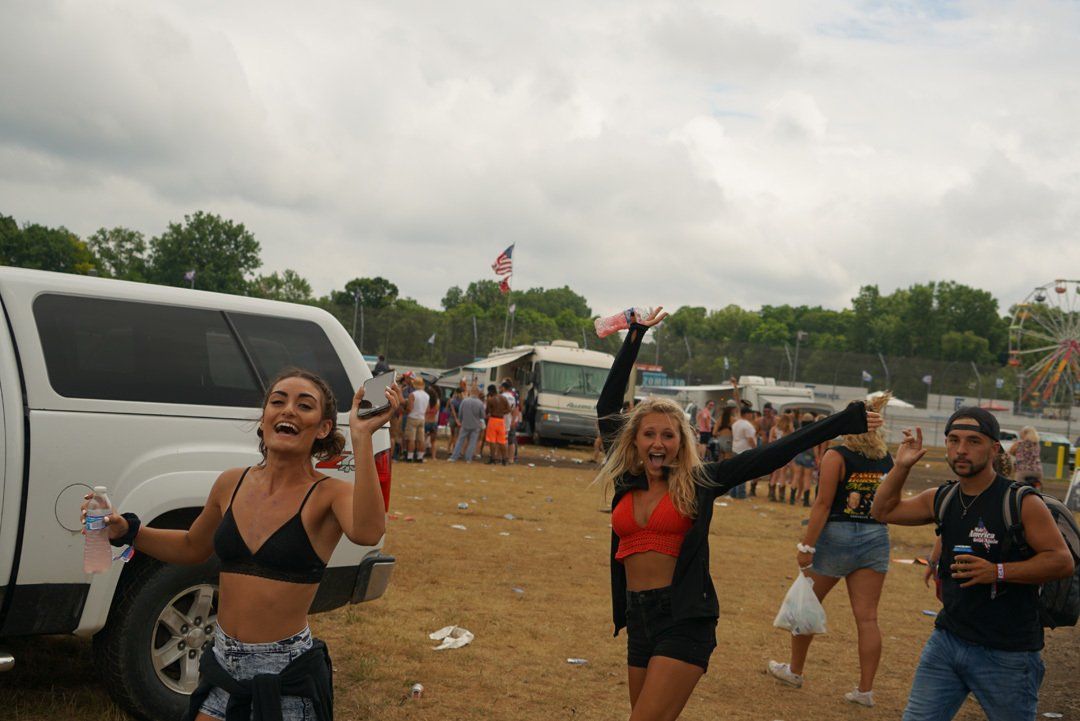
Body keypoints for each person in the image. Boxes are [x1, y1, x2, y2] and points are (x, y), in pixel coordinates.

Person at [596, 307, 881, 721]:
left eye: (668, 435)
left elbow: (773, 454)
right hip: (638, 618)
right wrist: (634, 336)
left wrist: (839, 423)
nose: (658, 443)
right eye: (649, 434)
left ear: (681, 442)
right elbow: (607, 406)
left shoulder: (700, 481)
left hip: (684, 618)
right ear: (635, 441)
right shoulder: (626, 479)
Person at [82, 368, 402, 721]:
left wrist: (362, 435)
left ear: (323, 428)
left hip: (283, 672)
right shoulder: (230, 483)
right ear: (264, 419)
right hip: (221, 662)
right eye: (277, 402)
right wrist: (128, 530)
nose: (288, 410)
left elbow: (368, 531)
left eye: (304, 405)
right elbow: (192, 546)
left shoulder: (329, 494)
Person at [870, 408, 1074, 721]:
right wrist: (901, 466)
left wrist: (997, 572)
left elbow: (1061, 561)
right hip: (947, 641)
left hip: (1007, 652)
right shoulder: (942, 497)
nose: (961, 449)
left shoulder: (1021, 502)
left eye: (973, 441)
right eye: (953, 440)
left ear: (994, 449)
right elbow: (882, 511)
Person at [767, 392, 895, 707]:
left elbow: (822, 504)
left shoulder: (836, 456)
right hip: (875, 536)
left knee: (807, 604)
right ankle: (865, 690)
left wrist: (806, 545)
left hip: (836, 535)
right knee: (868, 619)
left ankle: (795, 670)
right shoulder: (886, 459)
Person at [449, 387, 486, 462]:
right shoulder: (480, 403)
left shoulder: (464, 401)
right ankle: (468, 458)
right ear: (478, 393)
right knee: (472, 442)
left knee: (460, 440)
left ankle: (454, 457)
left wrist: (460, 420)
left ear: (470, 392)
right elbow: (482, 416)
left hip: (465, 424)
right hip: (475, 425)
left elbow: (460, 412)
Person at [729, 405, 757, 499]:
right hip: (744, 450)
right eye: (750, 413)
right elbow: (750, 439)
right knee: (743, 472)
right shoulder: (747, 425)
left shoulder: (736, 423)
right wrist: (755, 449)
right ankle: (741, 494)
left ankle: (733, 493)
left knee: (735, 472)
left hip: (735, 448)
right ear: (746, 414)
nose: (752, 415)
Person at [790, 412, 817, 506]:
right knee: (807, 479)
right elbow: (815, 446)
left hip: (798, 455)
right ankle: (806, 501)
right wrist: (816, 457)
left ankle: (792, 499)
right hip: (809, 457)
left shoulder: (798, 430)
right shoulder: (813, 432)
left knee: (796, 477)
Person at [766, 413, 794, 502]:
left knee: (775, 473)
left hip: (774, 452)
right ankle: (781, 496)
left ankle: (771, 495)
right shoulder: (789, 430)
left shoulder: (773, 429)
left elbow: (770, 441)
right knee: (783, 474)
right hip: (784, 453)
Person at [403, 376, 429, 463]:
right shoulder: (427, 395)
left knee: (411, 439)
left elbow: (409, 408)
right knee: (421, 439)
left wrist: (405, 411)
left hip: (412, 417)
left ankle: (409, 457)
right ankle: (420, 457)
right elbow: (427, 409)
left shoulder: (413, 394)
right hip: (422, 418)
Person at [484, 384, 511, 465]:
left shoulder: (490, 400)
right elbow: (509, 409)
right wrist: (502, 412)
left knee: (492, 441)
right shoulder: (503, 398)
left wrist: (493, 412)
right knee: (502, 441)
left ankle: (493, 459)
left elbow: (487, 411)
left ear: (490, 391)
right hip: (501, 421)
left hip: (493, 420)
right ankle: (505, 459)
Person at [501, 379, 519, 464]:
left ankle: (502, 457)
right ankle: (511, 458)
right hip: (511, 419)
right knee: (511, 440)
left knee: (503, 439)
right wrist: (514, 420)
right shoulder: (514, 395)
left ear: (504, 387)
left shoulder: (502, 396)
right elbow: (515, 409)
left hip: (502, 420)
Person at [424, 383, 440, 460]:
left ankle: (421, 455)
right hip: (434, 422)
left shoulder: (426, 401)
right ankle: (434, 457)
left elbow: (425, 411)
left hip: (426, 421)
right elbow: (436, 412)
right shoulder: (437, 402)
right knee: (433, 441)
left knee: (423, 439)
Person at [446, 387, 464, 458]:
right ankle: (453, 450)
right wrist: (457, 419)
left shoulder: (461, 400)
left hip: (455, 418)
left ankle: (452, 450)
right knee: (454, 435)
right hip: (454, 418)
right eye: (461, 393)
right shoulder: (453, 401)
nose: (461, 394)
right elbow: (453, 411)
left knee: (455, 435)